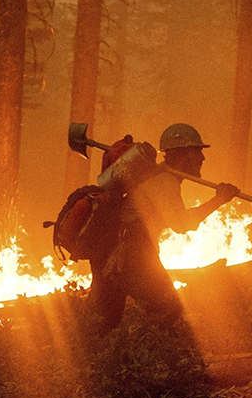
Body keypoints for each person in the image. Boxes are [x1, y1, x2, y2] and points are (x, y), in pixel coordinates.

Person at [87, 123, 240, 337]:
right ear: (180, 155)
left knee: (103, 322)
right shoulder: (164, 181)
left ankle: (101, 353)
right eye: (196, 151)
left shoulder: (157, 176)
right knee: (168, 306)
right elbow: (181, 224)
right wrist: (219, 200)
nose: (202, 158)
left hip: (114, 252)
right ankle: (152, 354)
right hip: (130, 253)